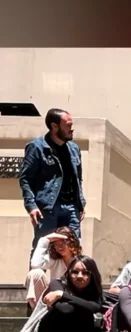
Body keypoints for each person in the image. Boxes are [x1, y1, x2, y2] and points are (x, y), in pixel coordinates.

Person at [19, 108, 86, 252]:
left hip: (71, 209)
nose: (71, 129)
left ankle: (67, 276)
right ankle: (36, 276)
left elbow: (78, 179)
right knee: (41, 250)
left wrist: (80, 203)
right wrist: (31, 206)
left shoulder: (74, 149)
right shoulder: (37, 148)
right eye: (67, 125)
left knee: (72, 252)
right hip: (47, 209)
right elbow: (25, 179)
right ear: (54, 126)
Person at [26, 227, 82, 309]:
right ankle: (40, 312)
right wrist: (44, 240)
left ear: (72, 243)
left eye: (63, 243)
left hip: (74, 302)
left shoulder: (82, 262)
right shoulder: (55, 260)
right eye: (56, 244)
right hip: (53, 301)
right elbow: (35, 264)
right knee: (35, 273)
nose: (59, 247)